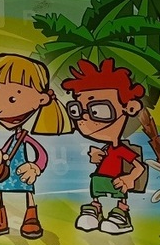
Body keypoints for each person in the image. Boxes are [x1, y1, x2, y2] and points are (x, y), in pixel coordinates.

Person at [0, 54, 72, 239]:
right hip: (6, 171)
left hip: (22, 170)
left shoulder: (25, 136)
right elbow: (4, 151)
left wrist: (36, 167)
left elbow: (41, 153)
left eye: (13, 99)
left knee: (28, 192)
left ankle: (31, 218)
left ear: (41, 100)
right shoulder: (12, 137)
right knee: (0, 191)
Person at [61, 57, 148, 235]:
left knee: (119, 195)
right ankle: (95, 208)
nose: (84, 118)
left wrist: (130, 178)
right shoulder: (106, 148)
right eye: (77, 110)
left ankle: (121, 213)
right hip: (101, 178)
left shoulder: (122, 149)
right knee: (96, 189)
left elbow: (139, 166)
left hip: (117, 180)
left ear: (130, 108)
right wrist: (96, 157)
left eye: (98, 110)